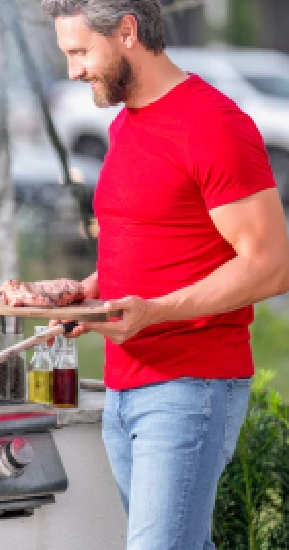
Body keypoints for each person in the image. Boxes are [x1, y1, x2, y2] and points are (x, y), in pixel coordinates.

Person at [40, 1, 289, 549]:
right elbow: (156, 238)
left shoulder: (213, 123)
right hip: (125, 387)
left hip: (189, 387)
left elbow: (271, 265)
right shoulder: (128, 122)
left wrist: (157, 312)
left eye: (80, 52)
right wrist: (90, 290)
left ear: (126, 31)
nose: (73, 70)